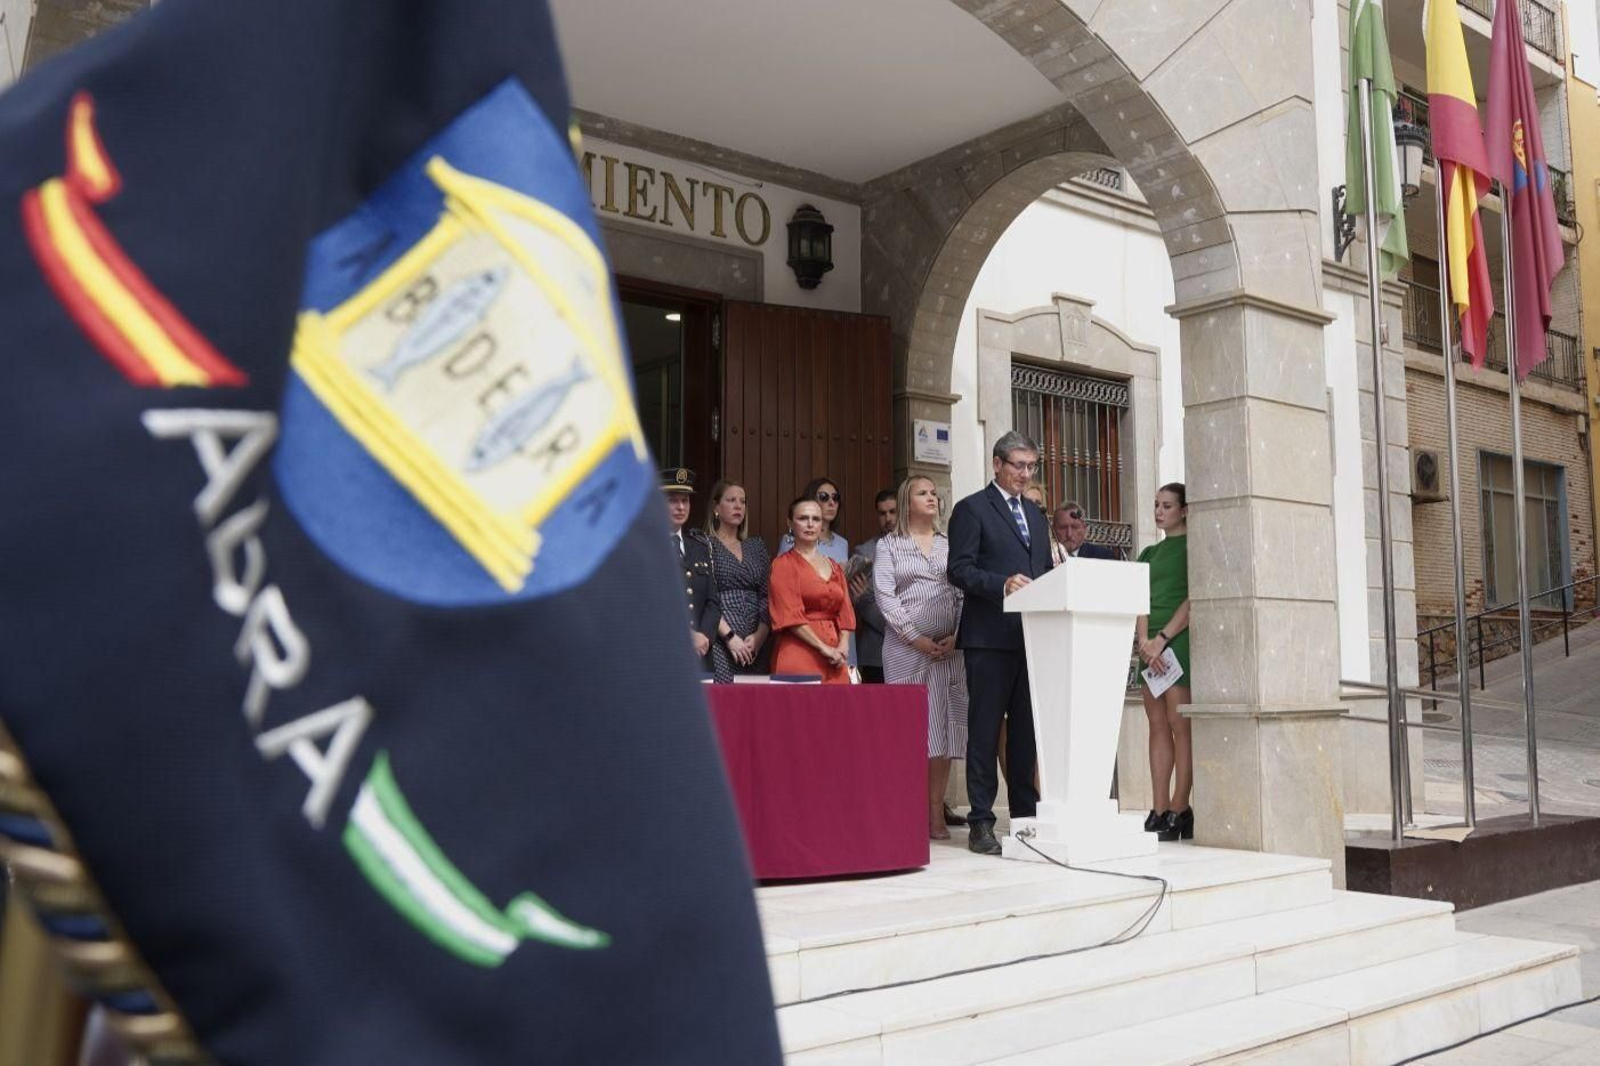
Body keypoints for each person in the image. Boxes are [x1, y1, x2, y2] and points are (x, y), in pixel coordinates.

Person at [948, 431, 1053, 855]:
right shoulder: (972, 509)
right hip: (989, 638)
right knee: (986, 731)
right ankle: (981, 822)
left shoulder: (1036, 514)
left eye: (1031, 467)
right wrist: (1001, 584)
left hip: (1033, 639)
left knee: (1027, 734)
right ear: (997, 464)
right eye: (1018, 466)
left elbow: (1043, 570)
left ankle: (1025, 819)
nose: (1025, 475)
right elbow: (958, 570)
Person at [875, 476, 968, 840]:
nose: (932, 498)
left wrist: (956, 634)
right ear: (906, 502)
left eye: (933, 493)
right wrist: (915, 637)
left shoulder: (951, 545)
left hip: (948, 651)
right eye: (923, 493)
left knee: (942, 730)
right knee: (910, 729)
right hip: (905, 650)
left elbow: (962, 594)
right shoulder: (890, 545)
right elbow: (885, 596)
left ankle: (935, 811)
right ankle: (906, 808)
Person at [1137, 483, 1194, 842]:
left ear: (1184, 510)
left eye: (1167, 506)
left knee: (1179, 724)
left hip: (1178, 641)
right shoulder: (1148, 552)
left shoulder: (1192, 547)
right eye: (1157, 505)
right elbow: (1138, 598)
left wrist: (1162, 639)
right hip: (1149, 648)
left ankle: (1180, 806)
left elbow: (1193, 598)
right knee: (1156, 724)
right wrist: (1144, 642)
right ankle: (1158, 809)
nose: (1159, 511)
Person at [769, 497, 856, 683]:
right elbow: (789, 615)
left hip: (836, 655)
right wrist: (823, 648)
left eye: (816, 519)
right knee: (802, 710)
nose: (810, 524)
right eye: (803, 518)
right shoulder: (783, 564)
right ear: (790, 523)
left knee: (838, 710)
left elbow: (846, 611)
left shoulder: (834, 566)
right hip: (799, 652)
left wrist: (843, 644)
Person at [705, 479, 771, 681]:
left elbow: (767, 594)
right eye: (731, 500)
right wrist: (730, 638)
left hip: (755, 645)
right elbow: (706, 596)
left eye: (742, 501)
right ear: (716, 507)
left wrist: (760, 635)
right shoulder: (705, 543)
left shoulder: (756, 546)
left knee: (755, 706)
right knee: (724, 702)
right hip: (721, 641)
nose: (738, 506)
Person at [664, 468, 722, 677]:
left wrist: (704, 636)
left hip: (700, 657)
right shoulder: (647, 548)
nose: (680, 507)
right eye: (672, 501)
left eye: (685, 500)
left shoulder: (698, 547)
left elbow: (713, 601)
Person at [850, 489, 897, 683]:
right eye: (882, 513)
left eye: (893, 512)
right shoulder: (865, 552)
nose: (888, 518)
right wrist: (904, 632)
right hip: (876, 653)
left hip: (916, 654)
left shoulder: (919, 546)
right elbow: (864, 600)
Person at [1051, 502, 1120, 565]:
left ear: (1085, 529)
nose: (1069, 534)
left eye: (1075, 527)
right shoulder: (1045, 557)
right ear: (1053, 530)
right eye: (1063, 528)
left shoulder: (1103, 557)